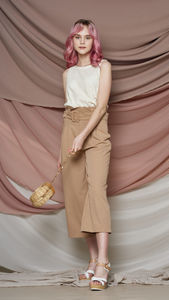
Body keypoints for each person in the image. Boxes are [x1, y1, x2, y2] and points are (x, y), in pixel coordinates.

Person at [57, 19, 112, 291]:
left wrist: (82, 135)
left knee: (96, 192)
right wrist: (66, 143)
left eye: (87, 37)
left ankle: (103, 262)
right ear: (72, 41)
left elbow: (101, 106)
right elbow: (68, 114)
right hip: (71, 128)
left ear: (94, 41)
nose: (82, 41)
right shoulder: (67, 75)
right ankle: (91, 260)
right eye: (77, 37)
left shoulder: (103, 67)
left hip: (96, 130)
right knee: (77, 197)